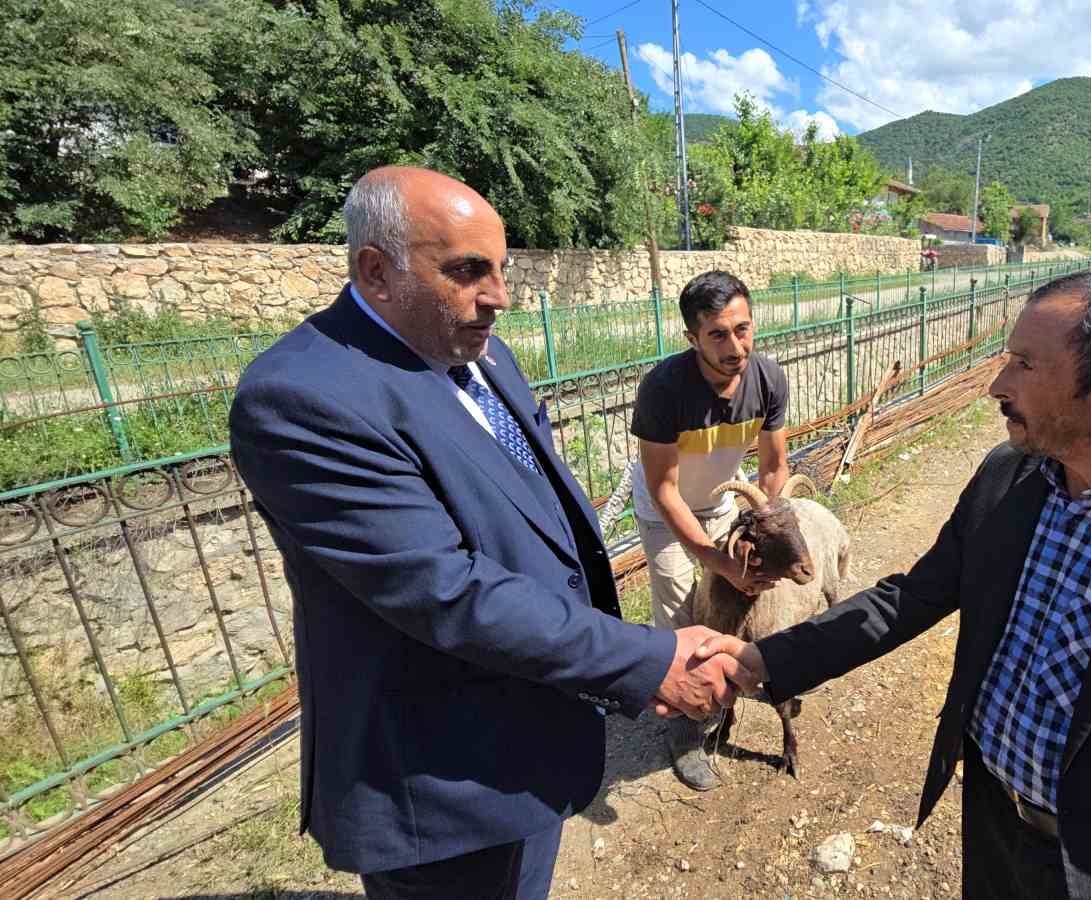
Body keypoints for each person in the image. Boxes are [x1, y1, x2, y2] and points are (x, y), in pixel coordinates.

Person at [695, 272, 1091, 897]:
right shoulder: (1011, 477)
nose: (996, 384)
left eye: (1025, 366)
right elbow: (909, 598)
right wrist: (763, 658)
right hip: (993, 832)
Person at [228, 166, 740, 900]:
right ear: (377, 271)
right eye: (469, 271)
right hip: (443, 778)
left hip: (534, 723)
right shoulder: (304, 398)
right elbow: (445, 590)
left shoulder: (478, 351)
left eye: (500, 269)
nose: (499, 296)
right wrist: (645, 656)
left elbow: (534, 516)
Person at [629, 270, 790, 790]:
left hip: (724, 501)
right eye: (717, 334)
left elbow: (773, 467)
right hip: (666, 511)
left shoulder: (767, 380)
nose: (735, 345)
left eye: (742, 329)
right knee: (680, 619)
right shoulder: (664, 389)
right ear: (692, 338)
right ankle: (685, 731)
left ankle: (721, 695)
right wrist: (711, 557)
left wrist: (765, 529)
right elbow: (664, 490)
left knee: (728, 608)